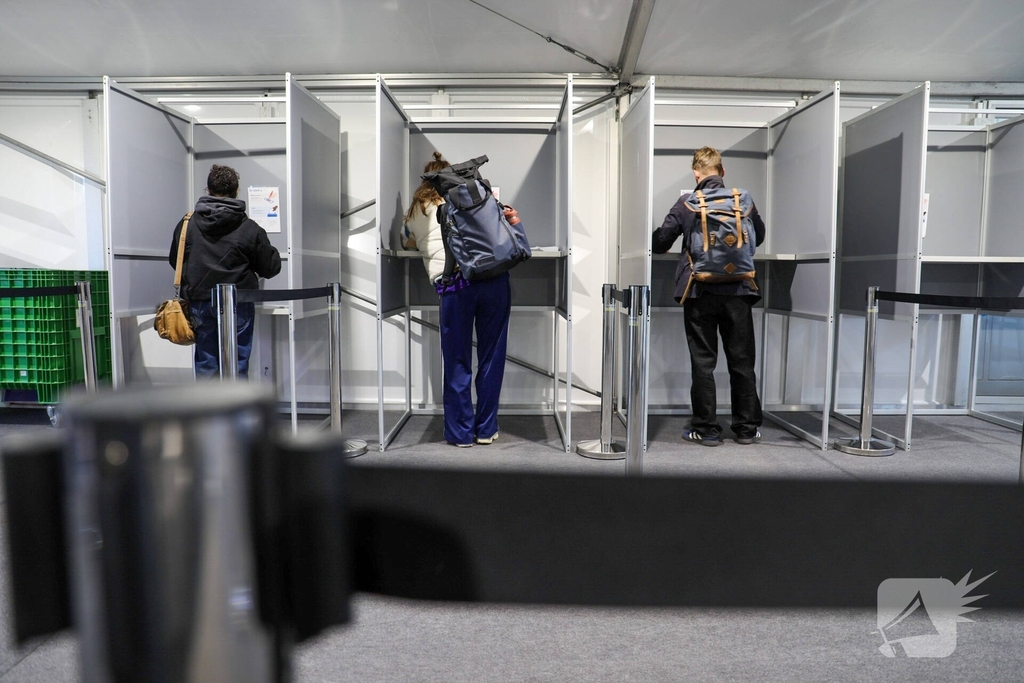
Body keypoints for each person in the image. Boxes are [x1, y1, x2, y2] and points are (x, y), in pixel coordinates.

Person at [652, 146, 765, 446]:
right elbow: (759, 237)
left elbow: (661, 242)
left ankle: (707, 429)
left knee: (703, 362)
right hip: (739, 289)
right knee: (742, 361)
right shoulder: (743, 200)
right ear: (722, 171)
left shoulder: (687, 202)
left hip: (699, 290)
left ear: (696, 173)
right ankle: (746, 428)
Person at [403, 151, 514, 448]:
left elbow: (409, 242)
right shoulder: (474, 197)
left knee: (456, 360)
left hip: (454, 285)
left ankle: (460, 433)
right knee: (491, 357)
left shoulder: (414, 212)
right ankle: (486, 430)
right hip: (492, 279)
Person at [168, 164, 281, 379]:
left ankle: (209, 402)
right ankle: (236, 402)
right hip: (239, 303)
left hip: (200, 303)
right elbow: (271, 267)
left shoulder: (187, 224)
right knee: (237, 363)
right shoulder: (250, 228)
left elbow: (176, 261)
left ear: (208, 190)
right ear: (236, 191)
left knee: (206, 364)